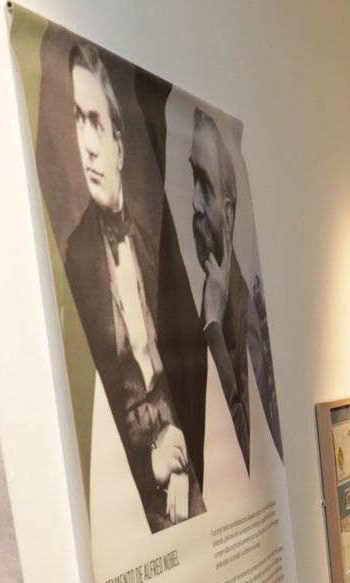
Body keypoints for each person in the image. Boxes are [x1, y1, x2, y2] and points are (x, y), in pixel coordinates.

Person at [61, 42, 208, 531]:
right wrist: (151, 467)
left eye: (96, 122)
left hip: (188, 461)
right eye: (78, 120)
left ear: (121, 145)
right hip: (141, 493)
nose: (87, 144)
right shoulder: (78, 260)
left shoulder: (150, 244)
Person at [187, 106, 282, 469]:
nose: (194, 202)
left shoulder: (243, 315)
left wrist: (212, 325)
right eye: (192, 176)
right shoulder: (213, 292)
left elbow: (246, 444)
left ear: (227, 214)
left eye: (205, 186)